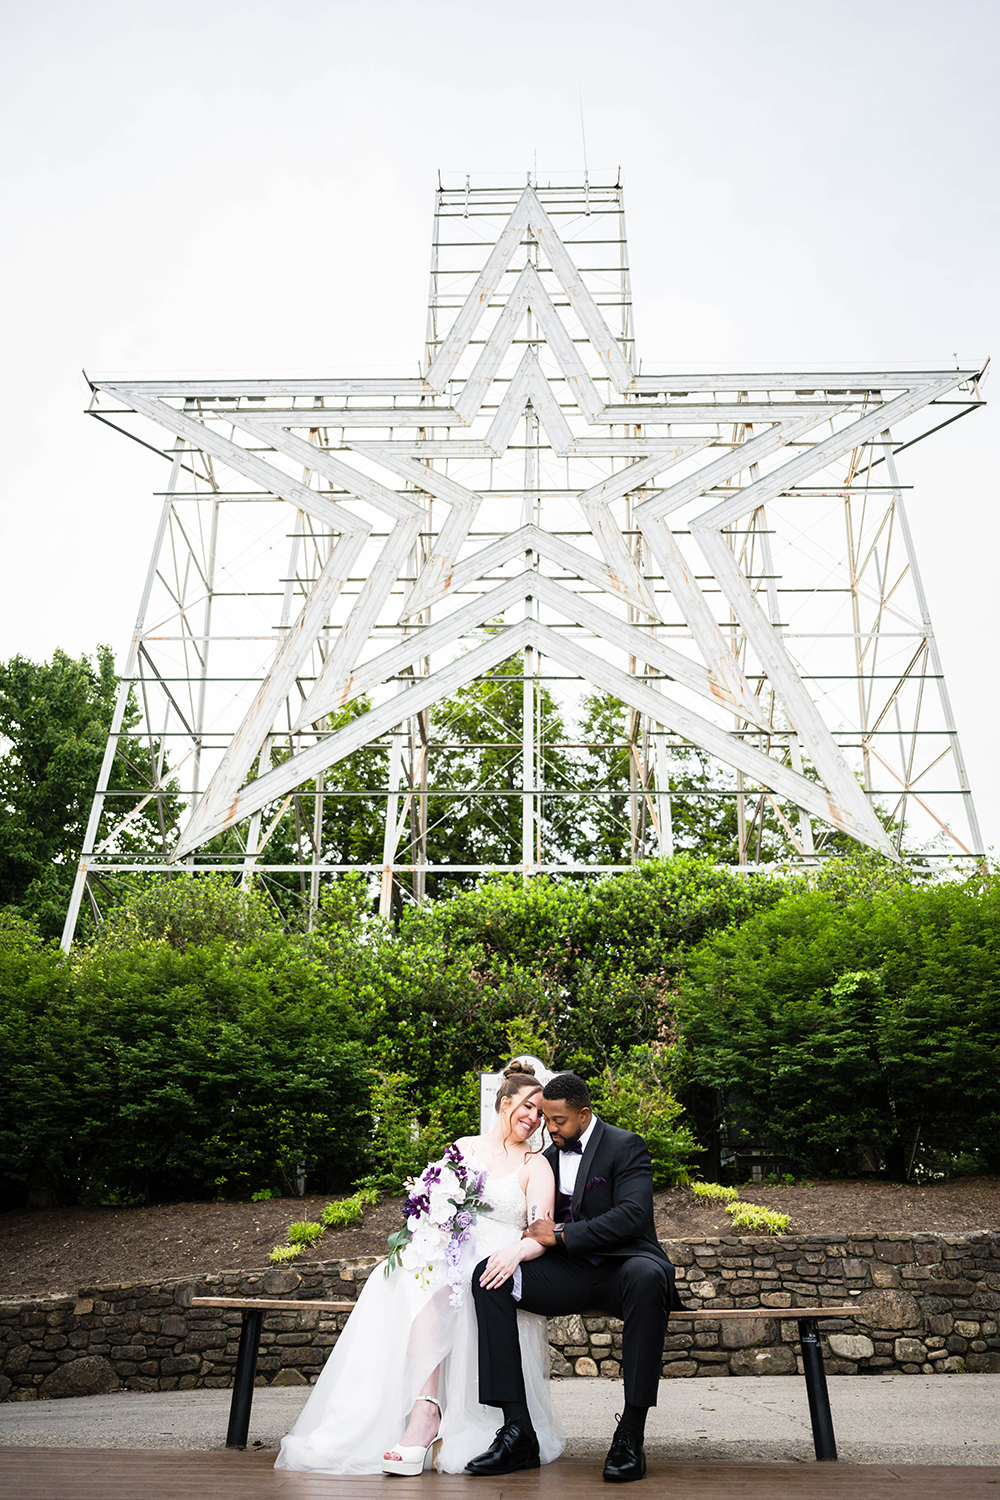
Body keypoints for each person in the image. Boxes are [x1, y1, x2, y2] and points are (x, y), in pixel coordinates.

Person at [274, 1061, 564, 1475]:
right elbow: (434, 1203)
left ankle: (437, 1417)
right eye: (528, 1107)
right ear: (504, 1103)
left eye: (540, 1113)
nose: (534, 1118)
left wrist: (516, 1252)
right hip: (448, 1246)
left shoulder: (536, 1165)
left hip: (497, 1255)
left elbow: (540, 1232)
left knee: (458, 1282)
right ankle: (422, 1408)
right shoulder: (464, 1148)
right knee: (401, 1276)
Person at [467, 1071, 683, 1483]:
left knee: (647, 1277)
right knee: (488, 1277)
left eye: (558, 1121)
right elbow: (535, 1220)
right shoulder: (547, 1159)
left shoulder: (626, 1145)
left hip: (625, 1267)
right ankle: (518, 1432)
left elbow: (634, 1215)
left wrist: (564, 1233)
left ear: (584, 1114)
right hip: (569, 1275)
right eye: (546, 1119)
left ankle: (630, 1435)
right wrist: (514, 1250)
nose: (550, 1129)